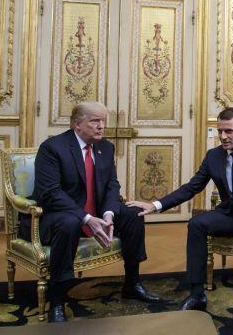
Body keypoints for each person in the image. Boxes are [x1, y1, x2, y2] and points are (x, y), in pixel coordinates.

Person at [127, 108, 233, 328]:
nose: (223, 137)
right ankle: (197, 294)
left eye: (229, 131)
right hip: (232, 212)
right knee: (196, 224)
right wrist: (156, 205)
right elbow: (192, 187)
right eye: (220, 131)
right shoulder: (213, 156)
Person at [19, 102, 161, 322]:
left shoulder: (105, 148)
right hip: (57, 214)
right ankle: (57, 300)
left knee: (133, 214)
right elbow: (51, 193)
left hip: (96, 211)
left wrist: (108, 214)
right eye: (95, 121)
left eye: (103, 121)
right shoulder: (52, 148)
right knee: (70, 223)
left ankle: (132, 283)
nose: (101, 126)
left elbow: (112, 185)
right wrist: (86, 218)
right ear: (77, 124)